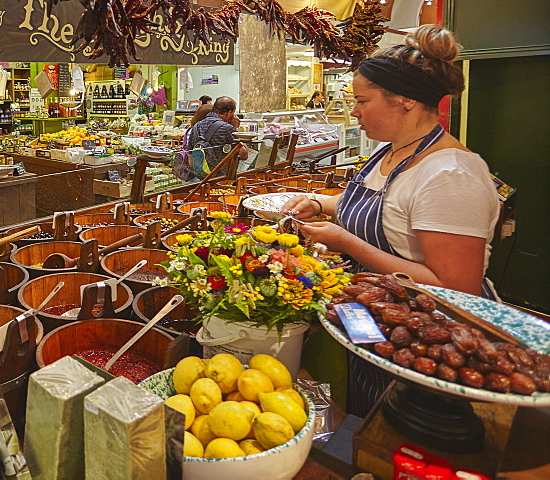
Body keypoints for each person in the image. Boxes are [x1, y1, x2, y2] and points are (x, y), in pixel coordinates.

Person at [281, 25, 500, 415]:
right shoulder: (394, 152)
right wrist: (318, 202)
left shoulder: (450, 175)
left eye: (362, 100)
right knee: (365, 414)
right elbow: (385, 211)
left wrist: (345, 242)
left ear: (405, 101)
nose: (353, 111)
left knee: (400, 434)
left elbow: (455, 289)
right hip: (384, 321)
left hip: (430, 343)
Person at [187, 96, 242, 175]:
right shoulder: (228, 128)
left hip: (201, 176)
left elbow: (190, 157)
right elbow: (243, 154)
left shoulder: (196, 126)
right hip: (222, 178)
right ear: (229, 112)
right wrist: (235, 128)